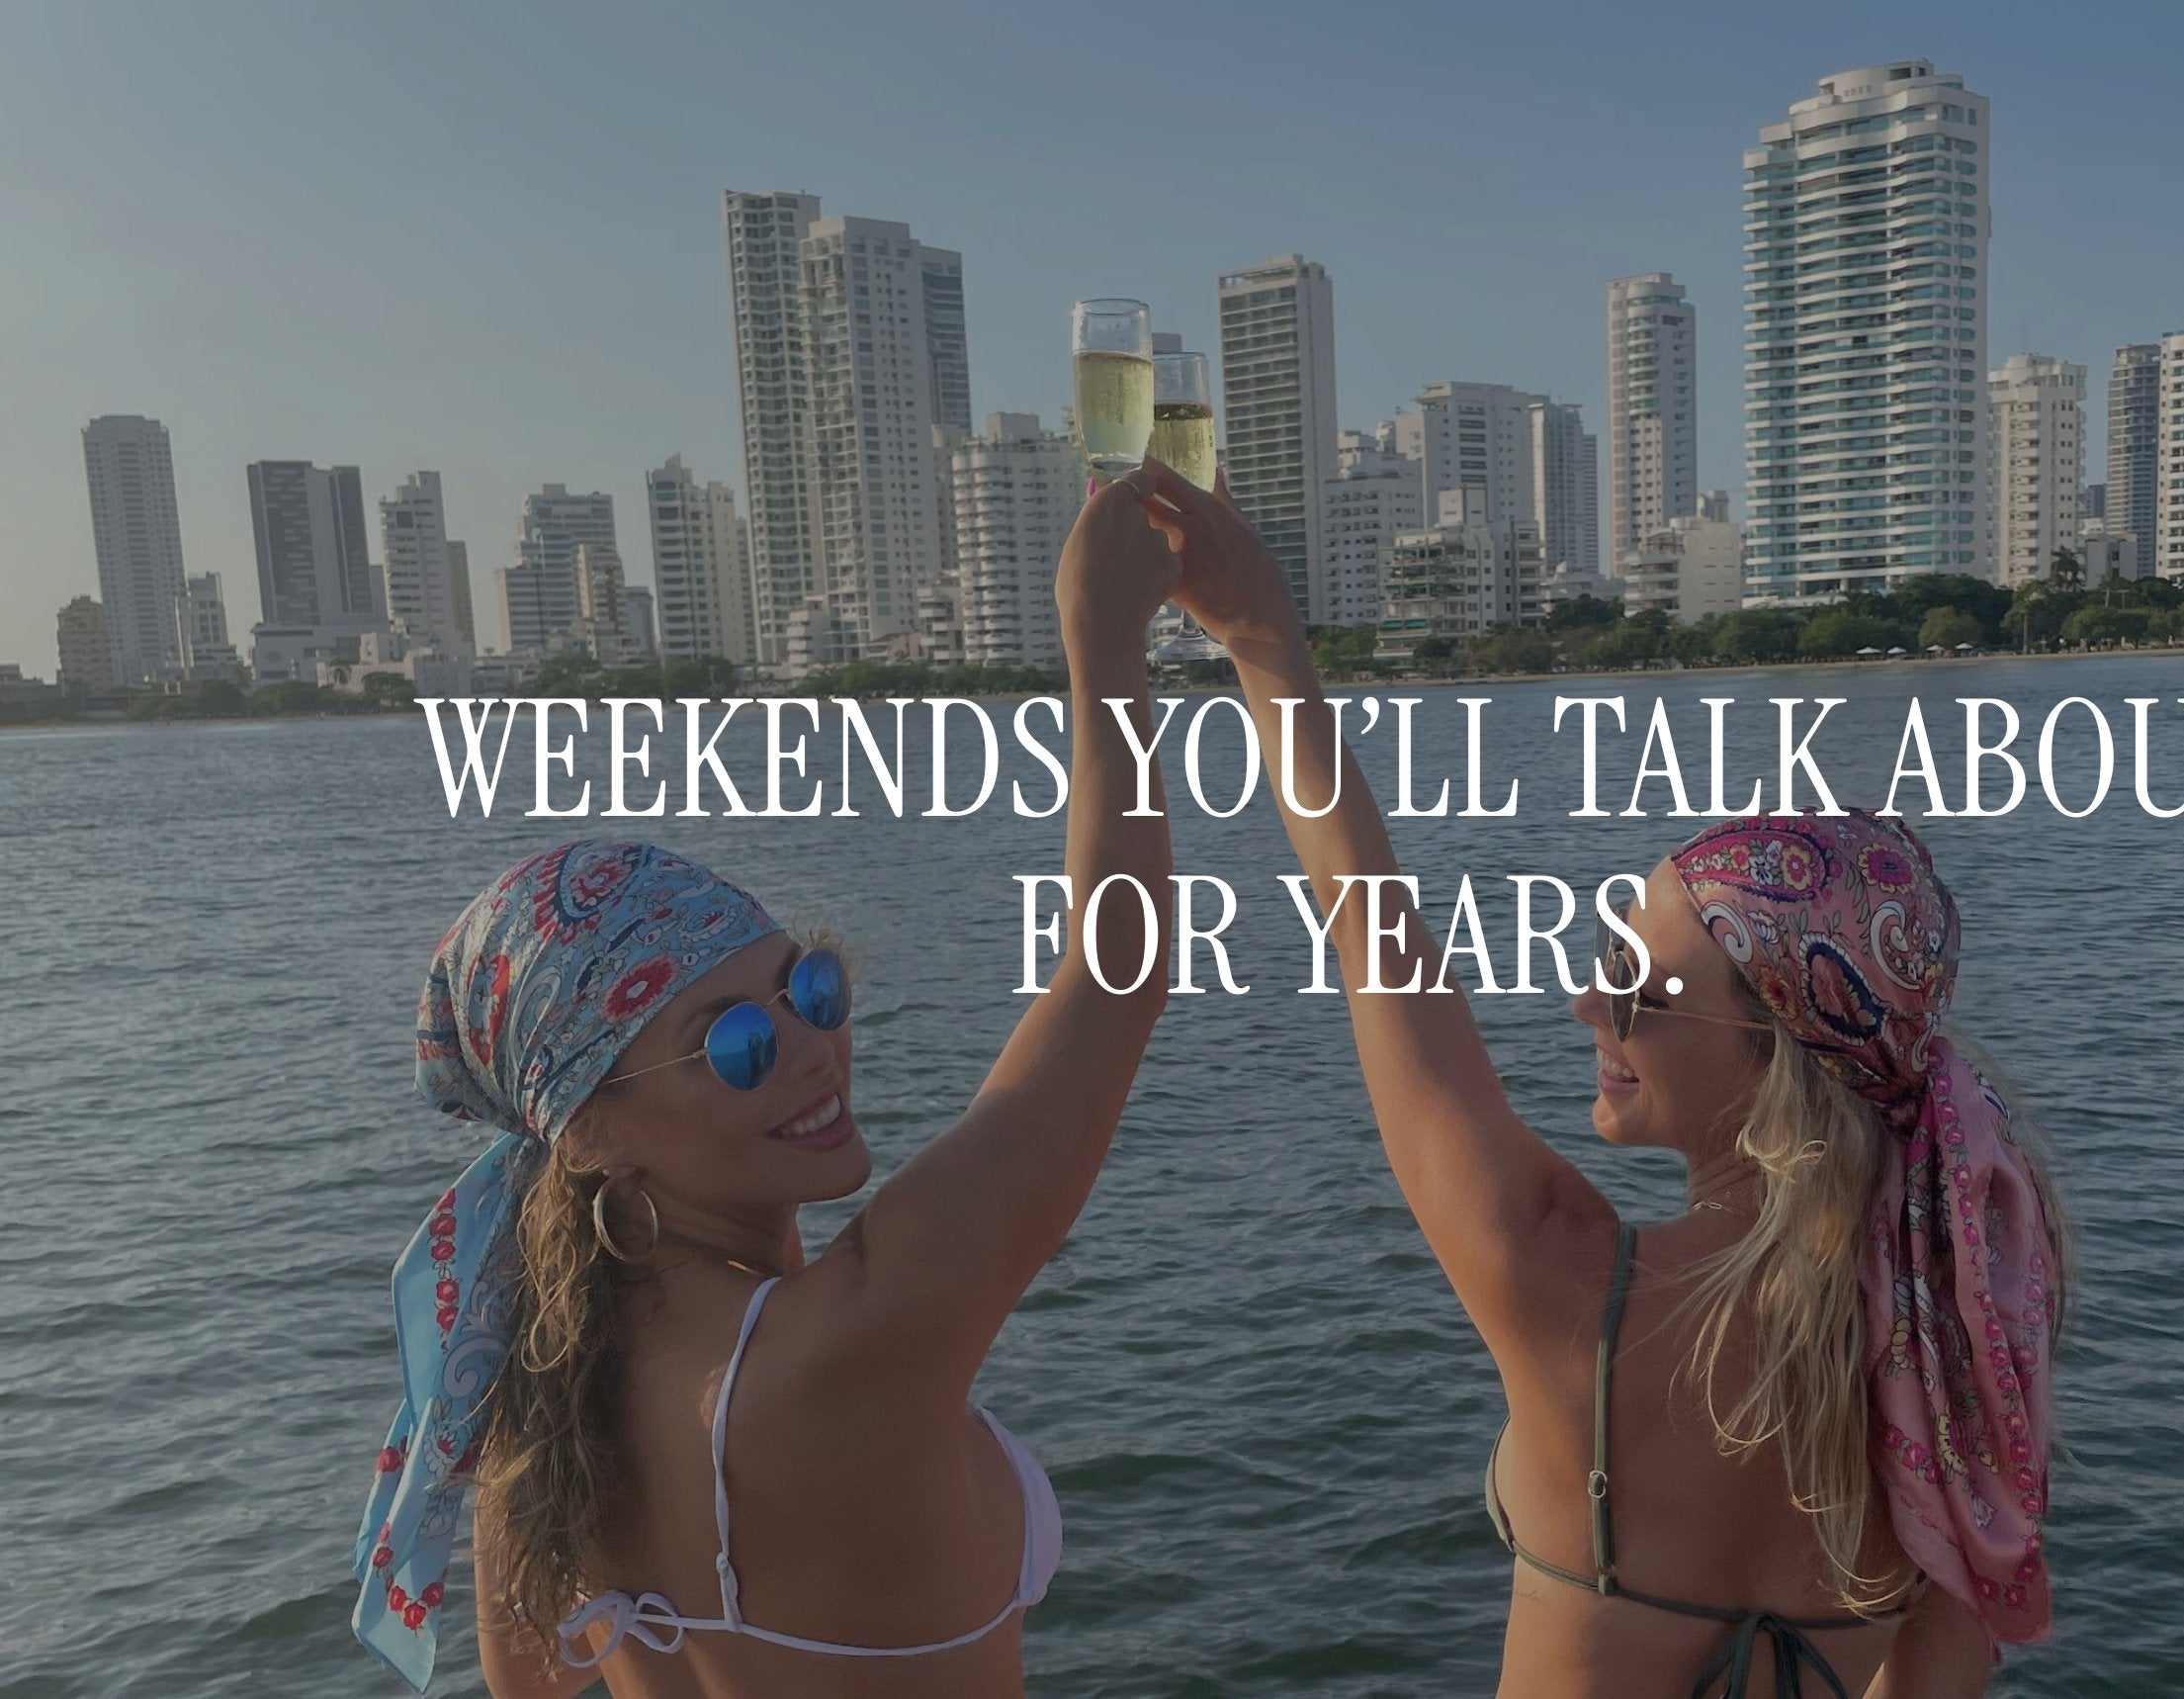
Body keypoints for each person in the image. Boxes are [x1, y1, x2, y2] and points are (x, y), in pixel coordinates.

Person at [1139, 463, 2066, 1699]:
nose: (1589, 1001)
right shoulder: (1949, 1340)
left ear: (1776, 1057)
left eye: (1637, 981)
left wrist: (1263, 644)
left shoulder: (1569, 1279)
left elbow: (1371, 936)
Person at [350, 468, 1185, 1697]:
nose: (807, 1044)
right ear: (590, 1134)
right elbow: (1118, 970)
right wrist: (1107, 641)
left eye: (812, 988)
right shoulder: (843, 1345)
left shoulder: (538, 1386)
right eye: (733, 1041)